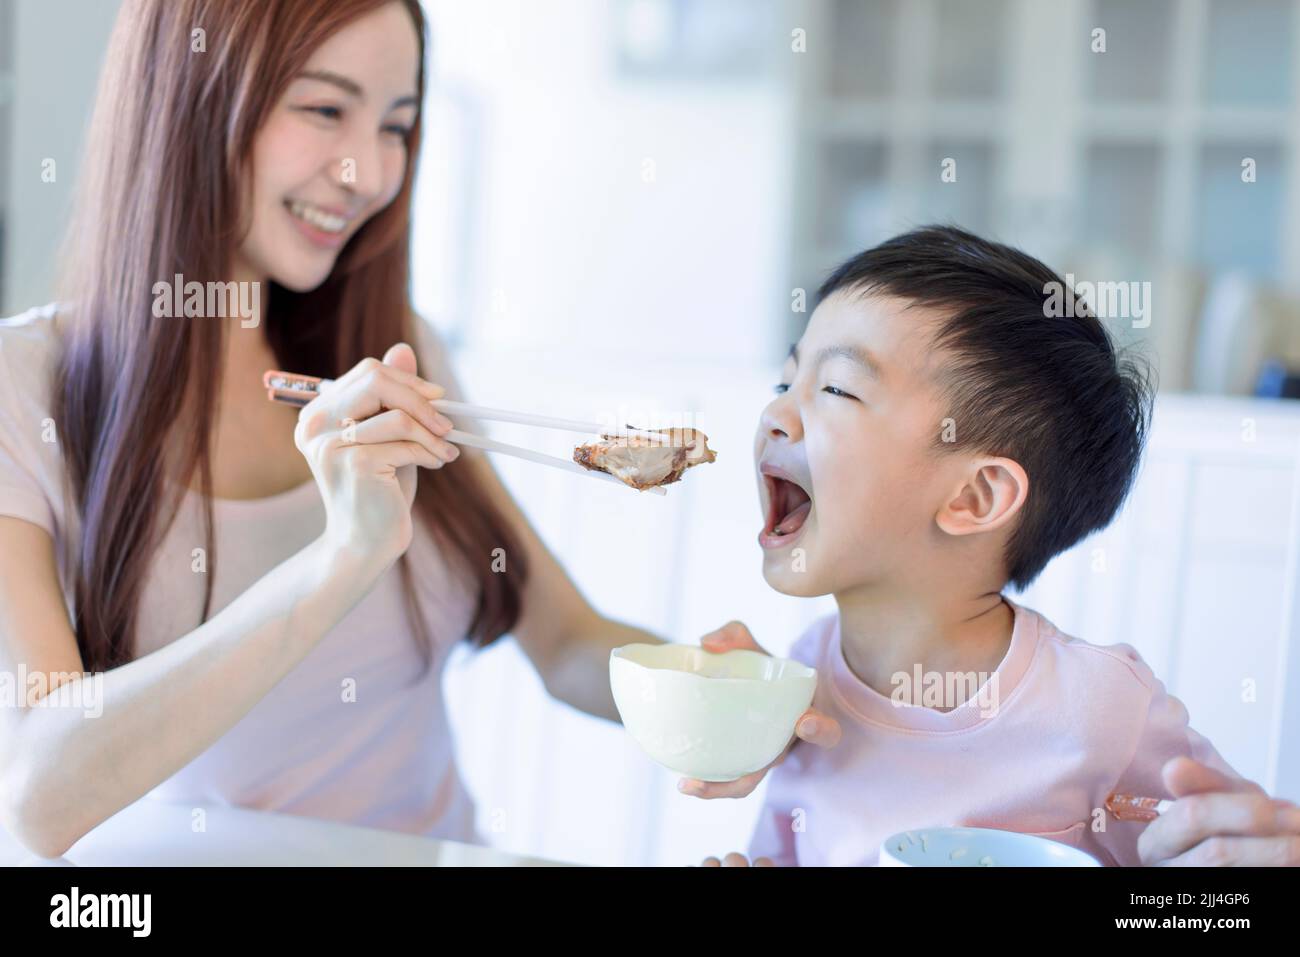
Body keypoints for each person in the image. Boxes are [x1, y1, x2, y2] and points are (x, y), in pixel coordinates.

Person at [699, 226, 1300, 866]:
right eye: (783, 385)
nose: (776, 415)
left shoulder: (1099, 706)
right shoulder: (801, 678)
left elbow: (1230, 860)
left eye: (838, 389)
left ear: (974, 497)